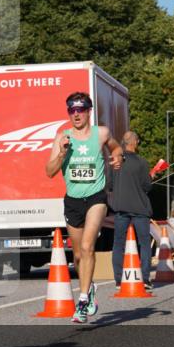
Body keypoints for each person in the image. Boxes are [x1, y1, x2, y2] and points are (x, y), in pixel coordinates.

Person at [45, 91, 122, 324]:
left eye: (80, 110)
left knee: (88, 247)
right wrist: (62, 153)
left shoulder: (102, 133)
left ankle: (81, 301)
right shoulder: (62, 137)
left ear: (89, 111)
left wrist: (118, 157)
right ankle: (89, 289)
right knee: (78, 255)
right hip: (73, 200)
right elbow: (49, 172)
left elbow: (117, 148)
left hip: (96, 197)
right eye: (72, 110)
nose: (76, 114)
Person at [110, 131, 153, 289]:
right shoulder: (142, 162)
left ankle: (119, 279)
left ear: (123, 142)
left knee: (118, 243)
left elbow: (109, 185)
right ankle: (145, 278)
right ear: (135, 142)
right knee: (144, 243)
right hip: (140, 208)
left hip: (121, 208)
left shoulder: (116, 162)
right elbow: (147, 186)